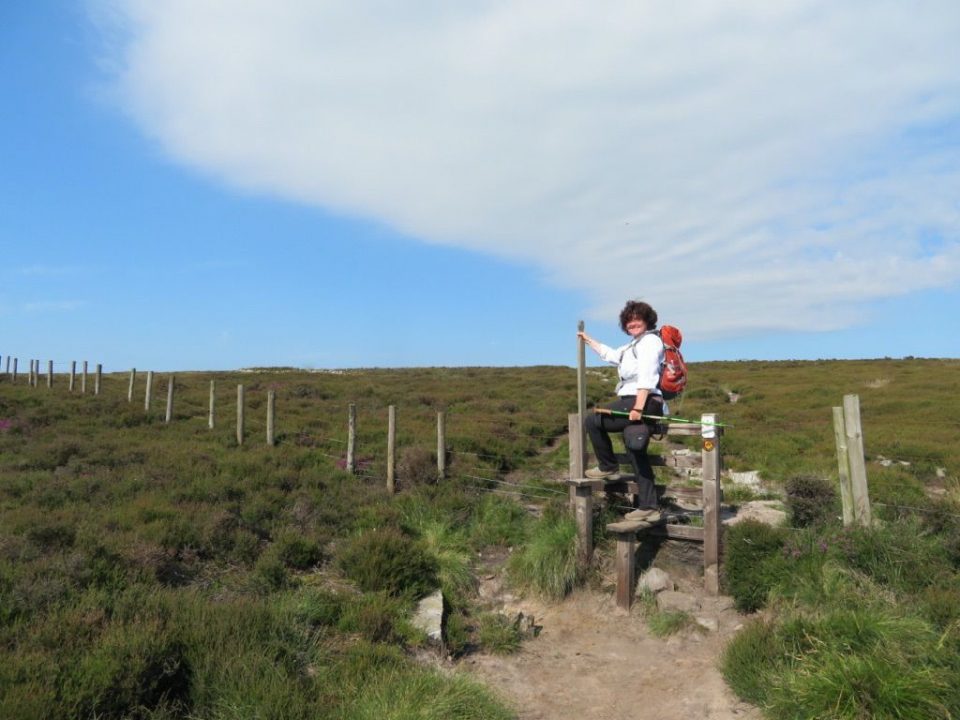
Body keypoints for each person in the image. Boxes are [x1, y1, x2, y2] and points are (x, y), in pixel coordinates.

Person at [577, 300, 666, 522]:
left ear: (647, 320)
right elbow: (611, 355)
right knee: (634, 446)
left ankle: (608, 467)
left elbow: (647, 375)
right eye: (629, 320)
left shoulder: (650, 342)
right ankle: (649, 507)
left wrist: (638, 406)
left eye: (637, 319)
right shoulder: (631, 346)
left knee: (593, 420)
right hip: (635, 401)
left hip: (642, 400)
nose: (633, 323)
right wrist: (589, 340)